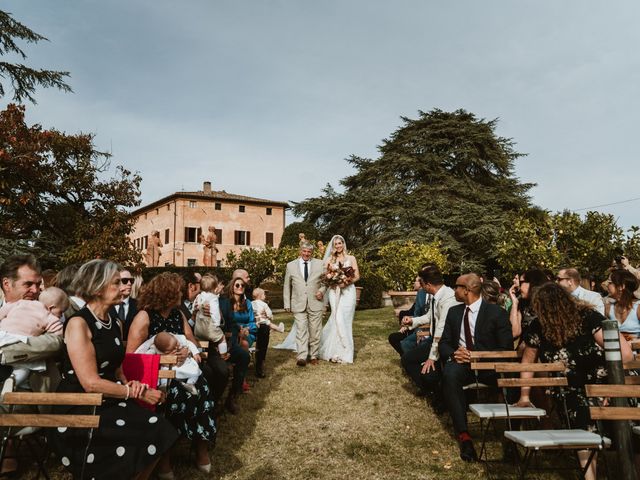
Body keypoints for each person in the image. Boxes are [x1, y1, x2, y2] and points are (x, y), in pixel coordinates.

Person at [49, 259, 178, 480]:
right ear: (98, 287)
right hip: (81, 404)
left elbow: (117, 370)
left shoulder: (114, 321)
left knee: (163, 430)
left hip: (110, 399)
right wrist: (138, 393)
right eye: (117, 282)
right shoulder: (79, 324)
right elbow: (90, 383)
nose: (124, 287)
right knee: (153, 431)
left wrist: (129, 382)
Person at [514, 282, 633, 480]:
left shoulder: (588, 317)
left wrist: (613, 388)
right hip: (570, 390)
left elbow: (626, 354)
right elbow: (528, 361)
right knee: (581, 414)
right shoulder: (538, 326)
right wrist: (524, 395)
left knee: (627, 420)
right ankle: (590, 477)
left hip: (606, 383)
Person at [127, 272, 216, 475]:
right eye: (178, 290)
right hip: (157, 375)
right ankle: (164, 459)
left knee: (203, 391)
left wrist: (188, 350)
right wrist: (164, 359)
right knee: (175, 397)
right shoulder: (144, 316)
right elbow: (132, 356)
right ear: (167, 292)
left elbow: (190, 337)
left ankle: (201, 448)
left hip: (184, 370)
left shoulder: (178, 314)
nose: (183, 293)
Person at [438, 273, 512, 462]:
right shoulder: (454, 312)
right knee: (450, 374)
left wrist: (476, 355)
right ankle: (464, 436)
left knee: (512, 381)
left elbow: (506, 348)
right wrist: (455, 353)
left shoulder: (496, 313)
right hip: (462, 365)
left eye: (457, 287)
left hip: (490, 367)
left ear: (467, 290)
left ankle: (511, 439)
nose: (454, 290)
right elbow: (444, 343)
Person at [400, 265, 460, 403]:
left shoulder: (448, 299)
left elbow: (441, 328)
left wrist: (432, 357)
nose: (420, 286)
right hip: (434, 339)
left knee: (426, 370)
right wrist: (412, 321)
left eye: (420, 283)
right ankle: (432, 391)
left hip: (444, 344)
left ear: (427, 284)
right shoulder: (436, 295)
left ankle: (439, 395)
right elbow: (429, 316)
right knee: (408, 359)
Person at [0, 286, 67, 386]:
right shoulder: (47, 315)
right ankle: (12, 382)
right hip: (20, 339)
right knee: (22, 369)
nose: (61, 316)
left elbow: (3, 311)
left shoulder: (20, 303)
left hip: (4, 336)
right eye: (60, 312)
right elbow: (58, 330)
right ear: (51, 308)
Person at [276, 241, 325, 365]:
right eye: (304, 251)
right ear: (300, 251)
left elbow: (325, 282)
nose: (306, 254)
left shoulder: (320, 264)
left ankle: (314, 355)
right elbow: (287, 286)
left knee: (315, 331)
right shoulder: (290, 265)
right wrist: (287, 303)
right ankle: (302, 357)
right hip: (298, 303)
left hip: (316, 302)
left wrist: (321, 290)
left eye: (309, 252)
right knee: (301, 330)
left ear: (312, 253)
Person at [319, 235, 360, 364]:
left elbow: (357, 276)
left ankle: (345, 352)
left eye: (339, 243)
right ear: (333, 246)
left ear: (343, 244)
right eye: (335, 244)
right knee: (337, 318)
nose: (338, 246)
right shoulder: (330, 260)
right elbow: (325, 277)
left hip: (348, 291)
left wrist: (346, 282)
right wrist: (332, 280)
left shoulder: (351, 258)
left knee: (346, 321)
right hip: (334, 291)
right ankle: (334, 351)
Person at [219, 276, 252, 412]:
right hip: (218, 343)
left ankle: (233, 396)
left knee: (244, 355)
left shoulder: (244, 303)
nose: (239, 288)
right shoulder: (221, 302)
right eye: (237, 285)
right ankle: (217, 400)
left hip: (236, 337)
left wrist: (243, 329)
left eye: (242, 285)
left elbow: (236, 321)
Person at [135, 331, 201, 395]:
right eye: (172, 349)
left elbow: (190, 343)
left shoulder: (179, 338)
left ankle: (190, 383)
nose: (176, 347)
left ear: (174, 337)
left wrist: (195, 353)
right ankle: (163, 386)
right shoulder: (156, 347)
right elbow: (148, 354)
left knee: (196, 371)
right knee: (163, 373)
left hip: (185, 364)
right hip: (169, 367)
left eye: (176, 343)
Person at [508, 269, 547, 344]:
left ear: (532, 283)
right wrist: (515, 303)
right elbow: (514, 333)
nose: (518, 285)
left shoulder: (548, 304)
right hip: (524, 350)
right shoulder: (522, 302)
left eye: (521, 282)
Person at [605, 269, 640, 339]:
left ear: (621, 286)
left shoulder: (638, 308)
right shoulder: (608, 308)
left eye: (610, 282)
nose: (606, 285)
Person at [193, 274, 224, 344]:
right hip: (209, 329)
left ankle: (201, 352)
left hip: (198, 328)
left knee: (200, 342)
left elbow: (194, 307)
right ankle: (223, 354)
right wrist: (217, 323)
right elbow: (215, 311)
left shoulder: (199, 296)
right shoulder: (213, 298)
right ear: (214, 287)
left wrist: (194, 311)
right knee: (222, 339)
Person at [108, 268, 139, 339]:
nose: (129, 283)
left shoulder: (139, 305)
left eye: (131, 280)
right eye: (125, 281)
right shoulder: (106, 305)